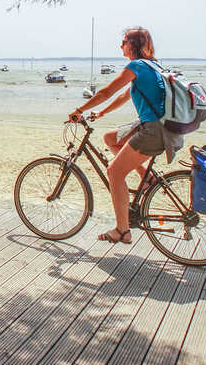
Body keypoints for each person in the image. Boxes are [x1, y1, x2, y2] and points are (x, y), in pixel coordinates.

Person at [68, 27, 182, 245]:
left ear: (132, 44)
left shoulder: (136, 65)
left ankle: (122, 230)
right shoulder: (153, 65)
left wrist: (79, 110)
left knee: (114, 172)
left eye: (123, 42)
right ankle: (147, 179)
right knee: (111, 138)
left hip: (153, 130)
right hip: (159, 126)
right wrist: (101, 112)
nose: (120, 46)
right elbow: (123, 96)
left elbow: (106, 92)